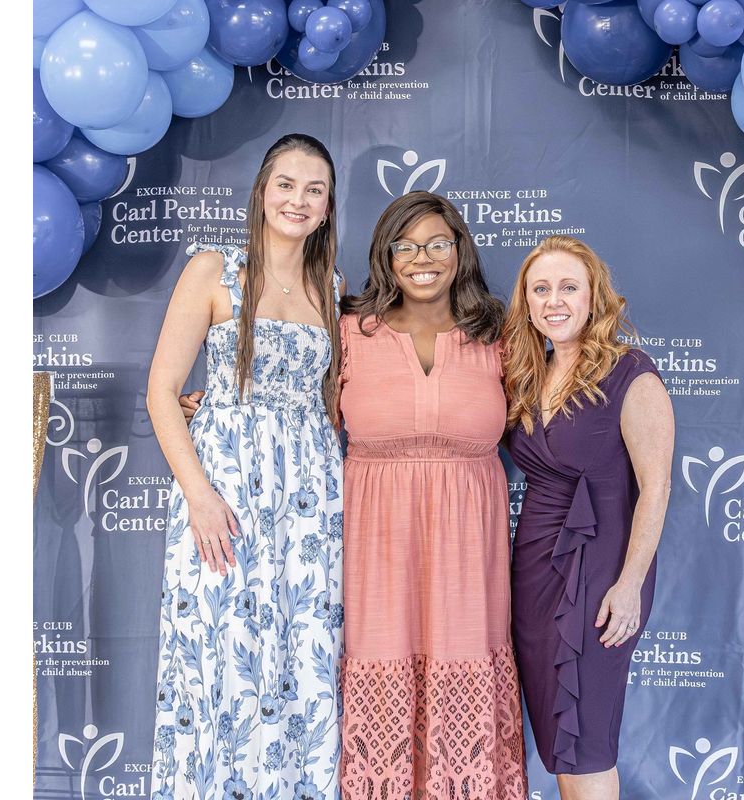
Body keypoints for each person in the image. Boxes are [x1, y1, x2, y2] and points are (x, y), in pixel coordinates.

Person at [146, 133, 345, 800]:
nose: (298, 200)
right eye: (286, 184)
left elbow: (329, 404)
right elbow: (161, 392)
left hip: (312, 505)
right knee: (219, 659)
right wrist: (199, 497)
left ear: (328, 206)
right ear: (262, 191)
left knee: (301, 664)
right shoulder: (214, 270)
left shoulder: (333, 287)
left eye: (314, 190)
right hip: (224, 494)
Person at [337, 192, 528, 800]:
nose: (423, 258)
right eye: (407, 246)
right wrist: (222, 411)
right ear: (386, 255)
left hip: (468, 556)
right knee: (380, 667)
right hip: (377, 552)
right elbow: (292, 411)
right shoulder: (348, 332)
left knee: (465, 668)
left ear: (459, 251)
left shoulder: (499, 335)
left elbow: (551, 419)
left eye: (437, 243)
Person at [502, 236, 674, 800]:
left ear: (593, 296)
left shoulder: (631, 373)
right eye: (540, 289)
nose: (554, 300)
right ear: (527, 302)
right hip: (534, 572)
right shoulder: (526, 374)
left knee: (587, 742)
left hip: (602, 572)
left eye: (568, 287)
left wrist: (630, 585)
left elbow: (656, 487)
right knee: (559, 742)